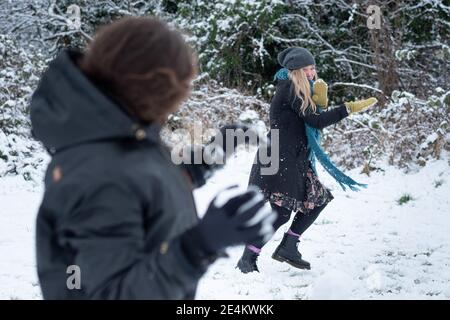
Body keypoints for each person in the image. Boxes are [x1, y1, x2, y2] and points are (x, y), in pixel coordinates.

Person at [30, 17, 276, 299]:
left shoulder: (114, 133)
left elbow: (146, 180)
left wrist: (214, 152)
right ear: (157, 88)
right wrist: (197, 246)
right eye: (181, 88)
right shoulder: (99, 175)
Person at [236, 47, 378, 273]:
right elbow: (316, 122)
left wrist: (320, 101)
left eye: (313, 67)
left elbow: (311, 118)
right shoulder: (291, 89)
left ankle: (288, 246)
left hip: (291, 158)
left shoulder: (298, 90)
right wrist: (348, 108)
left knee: (318, 200)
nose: (313, 72)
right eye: (308, 68)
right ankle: (249, 258)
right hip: (280, 158)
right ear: (297, 71)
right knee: (281, 212)